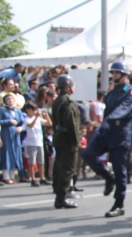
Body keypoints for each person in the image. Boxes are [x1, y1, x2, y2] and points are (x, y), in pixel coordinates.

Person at [81, 61, 132, 218]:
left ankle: (119, 203)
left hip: (120, 132)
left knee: (120, 170)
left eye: (117, 73)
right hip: (107, 131)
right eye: (113, 73)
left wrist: (109, 120)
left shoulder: (131, 92)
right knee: (87, 153)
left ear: (124, 74)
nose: (114, 75)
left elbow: (123, 109)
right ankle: (108, 177)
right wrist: (104, 124)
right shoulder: (111, 92)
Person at [51, 74, 81, 209]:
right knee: (68, 168)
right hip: (67, 140)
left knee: (59, 167)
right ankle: (61, 197)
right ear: (68, 87)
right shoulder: (68, 102)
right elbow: (72, 125)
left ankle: (59, 193)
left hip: (59, 137)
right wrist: (75, 143)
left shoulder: (57, 100)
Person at [21, 101, 51, 186]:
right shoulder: (27, 119)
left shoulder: (38, 118)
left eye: (35, 110)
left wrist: (46, 114)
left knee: (41, 161)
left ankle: (42, 178)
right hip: (31, 143)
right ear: (27, 110)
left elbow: (49, 123)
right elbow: (30, 125)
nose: (34, 112)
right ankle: (32, 178)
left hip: (39, 142)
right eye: (32, 110)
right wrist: (36, 117)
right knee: (32, 162)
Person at [0, 93, 24, 184]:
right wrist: (9, 121)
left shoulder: (17, 111)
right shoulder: (1, 110)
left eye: (12, 99)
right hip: (6, 134)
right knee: (6, 154)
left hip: (16, 135)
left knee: (15, 154)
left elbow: (23, 122)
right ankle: (6, 176)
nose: (10, 101)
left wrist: (21, 128)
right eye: (8, 99)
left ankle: (12, 176)